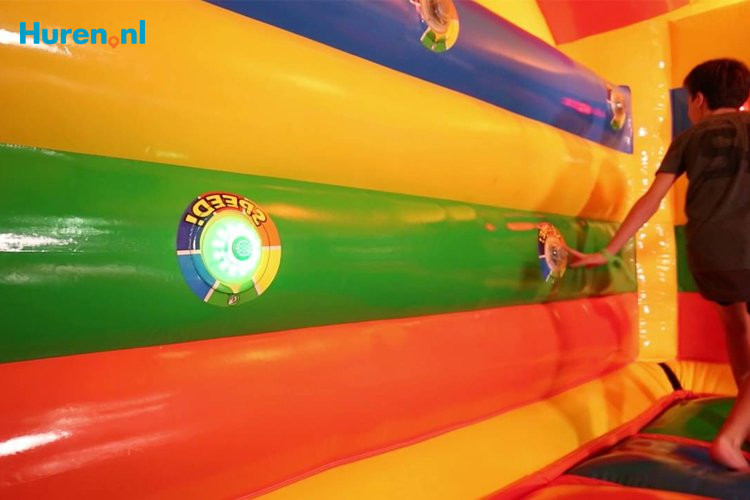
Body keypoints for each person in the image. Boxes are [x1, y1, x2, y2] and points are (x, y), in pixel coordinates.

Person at [569, 58, 750, 470]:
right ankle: (730, 438)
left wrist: (609, 251)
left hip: (708, 253)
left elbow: (651, 199)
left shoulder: (690, 137)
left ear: (699, 100)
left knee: (736, 323)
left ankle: (744, 413)